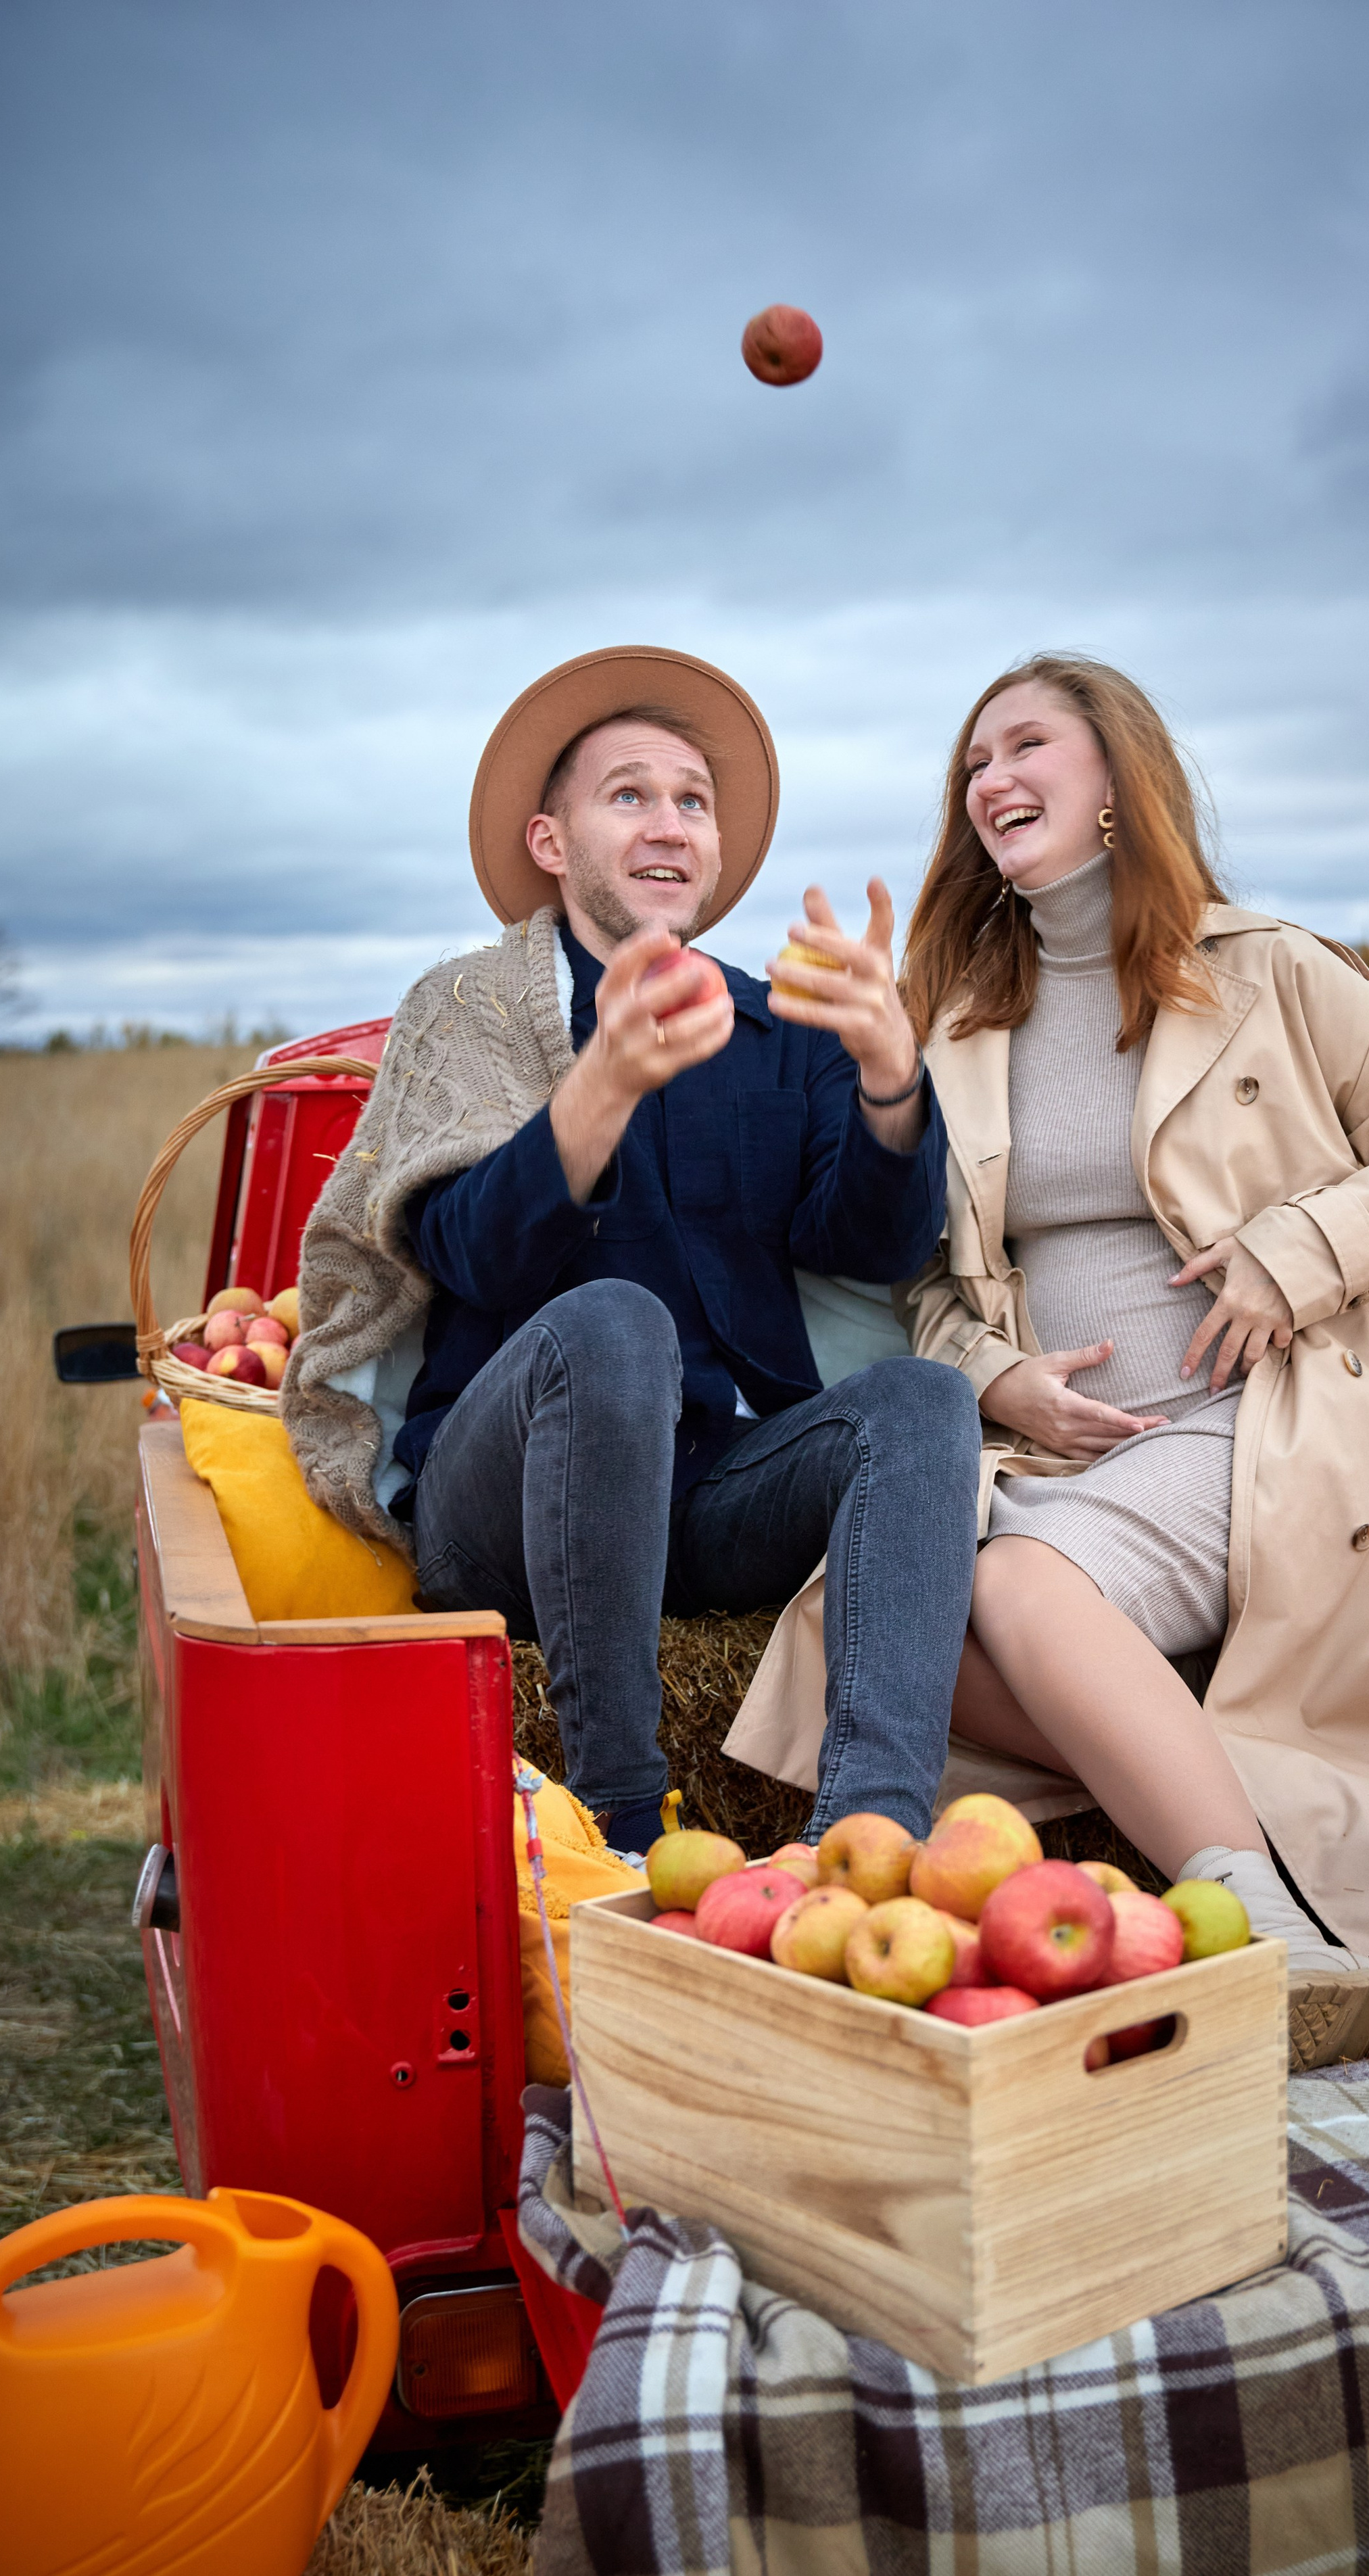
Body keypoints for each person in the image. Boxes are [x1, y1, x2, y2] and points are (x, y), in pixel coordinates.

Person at [898, 653, 1369, 2066]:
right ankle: (1200, 1755)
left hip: (1256, 1421)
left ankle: (1258, 1924)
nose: (990, 781)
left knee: (1013, 1583)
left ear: (1113, 785)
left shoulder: (1270, 969)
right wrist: (988, 1378)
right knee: (878, 1620)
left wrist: (1295, 1250)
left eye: (1024, 747)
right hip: (1057, 1448)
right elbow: (918, 1284)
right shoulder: (958, 1017)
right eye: (972, 765)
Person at [285, 646, 980, 1855]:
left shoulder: (779, 1028)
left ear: (712, 853)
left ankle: (869, 1838)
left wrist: (887, 1078)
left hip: (711, 1493)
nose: (670, 823)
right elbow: (468, 1256)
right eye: (630, 795)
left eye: (693, 801)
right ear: (553, 844)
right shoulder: (472, 1009)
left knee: (920, 1402)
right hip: (500, 1501)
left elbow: (867, 1244)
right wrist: (599, 1084)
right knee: (616, 1320)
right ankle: (616, 1824)